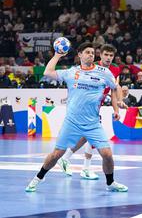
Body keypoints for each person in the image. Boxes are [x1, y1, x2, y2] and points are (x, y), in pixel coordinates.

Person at [25, 42, 128, 192]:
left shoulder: (103, 72)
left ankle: (110, 183)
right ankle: (37, 178)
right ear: (79, 55)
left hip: (92, 123)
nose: (91, 55)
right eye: (87, 52)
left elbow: (115, 87)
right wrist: (57, 55)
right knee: (56, 155)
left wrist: (117, 106)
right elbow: (47, 72)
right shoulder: (71, 72)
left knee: (107, 154)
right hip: (72, 122)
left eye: (92, 53)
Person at [56, 44, 126, 180]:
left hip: (98, 103)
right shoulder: (90, 66)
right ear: (100, 55)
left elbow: (114, 90)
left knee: (88, 136)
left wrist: (117, 107)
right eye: (106, 55)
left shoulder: (115, 70)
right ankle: (82, 166)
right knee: (89, 136)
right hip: (85, 106)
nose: (108, 58)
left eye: (111, 56)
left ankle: (75, 162)